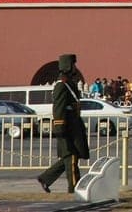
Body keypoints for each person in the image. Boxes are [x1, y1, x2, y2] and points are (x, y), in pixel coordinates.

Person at [38, 54, 90, 193]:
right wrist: (60, 127)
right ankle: (75, 187)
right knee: (71, 156)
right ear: (68, 66)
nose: (75, 67)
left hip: (72, 125)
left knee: (71, 155)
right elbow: (58, 107)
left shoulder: (68, 84)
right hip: (67, 126)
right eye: (73, 64)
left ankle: (46, 178)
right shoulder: (61, 85)